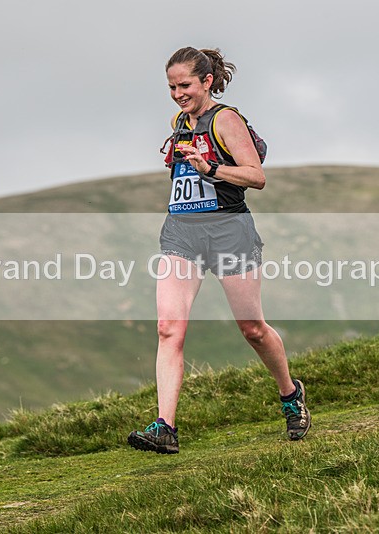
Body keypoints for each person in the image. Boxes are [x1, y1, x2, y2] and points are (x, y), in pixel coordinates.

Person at [128, 47, 310, 454]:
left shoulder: (225, 120)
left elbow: (256, 177)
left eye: (185, 85)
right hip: (181, 232)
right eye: (172, 87)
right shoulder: (180, 122)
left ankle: (290, 394)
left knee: (253, 329)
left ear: (207, 81)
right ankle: (165, 427)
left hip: (229, 231)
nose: (177, 93)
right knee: (168, 328)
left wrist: (209, 168)